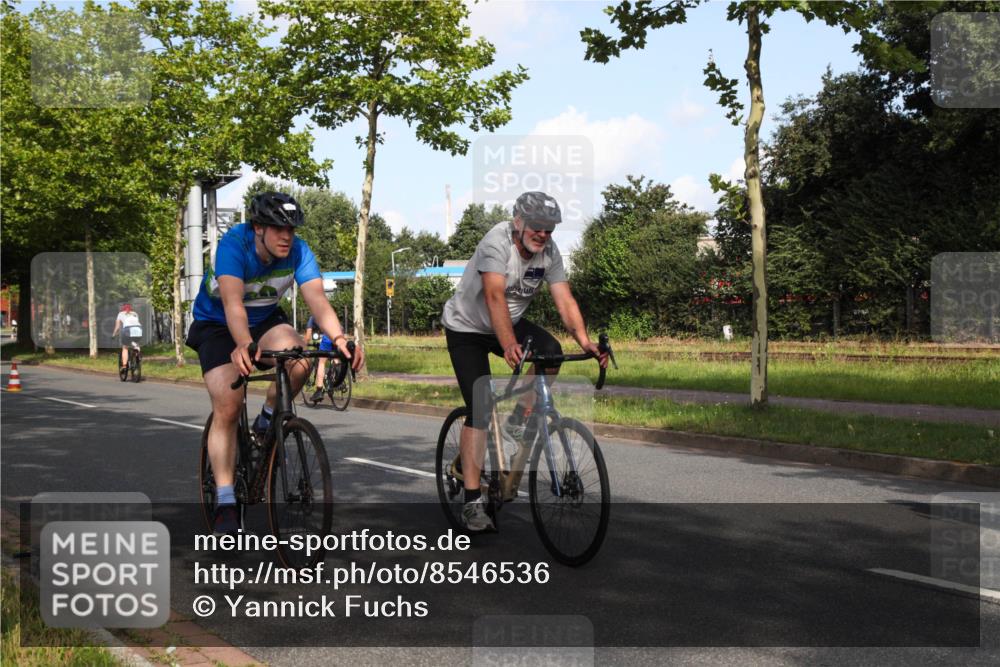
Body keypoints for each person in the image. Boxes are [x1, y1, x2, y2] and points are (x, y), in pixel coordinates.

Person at [185, 192, 363, 535]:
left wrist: (340, 340)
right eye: (278, 228)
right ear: (257, 228)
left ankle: (267, 420)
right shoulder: (234, 246)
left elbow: (317, 301)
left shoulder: (299, 251)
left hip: (265, 320)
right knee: (229, 402)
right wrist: (241, 345)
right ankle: (224, 501)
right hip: (218, 325)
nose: (286, 236)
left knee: (298, 359)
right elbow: (233, 304)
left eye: (291, 230)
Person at [440, 191, 608, 532]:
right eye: (537, 226)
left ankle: (518, 420)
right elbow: (493, 295)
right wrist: (508, 345)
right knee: (480, 406)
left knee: (552, 352)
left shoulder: (549, 253)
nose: (543, 234)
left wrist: (585, 340)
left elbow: (564, 299)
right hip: (468, 328)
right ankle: (472, 503)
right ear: (518, 222)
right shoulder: (495, 242)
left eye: (549, 228)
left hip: (509, 322)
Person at [303, 313, 336, 402]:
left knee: (321, 362)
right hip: (339, 335)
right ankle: (337, 380)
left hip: (328, 335)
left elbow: (308, 335)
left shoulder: (313, 317)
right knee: (336, 357)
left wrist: (302, 346)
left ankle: (319, 391)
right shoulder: (329, 313)